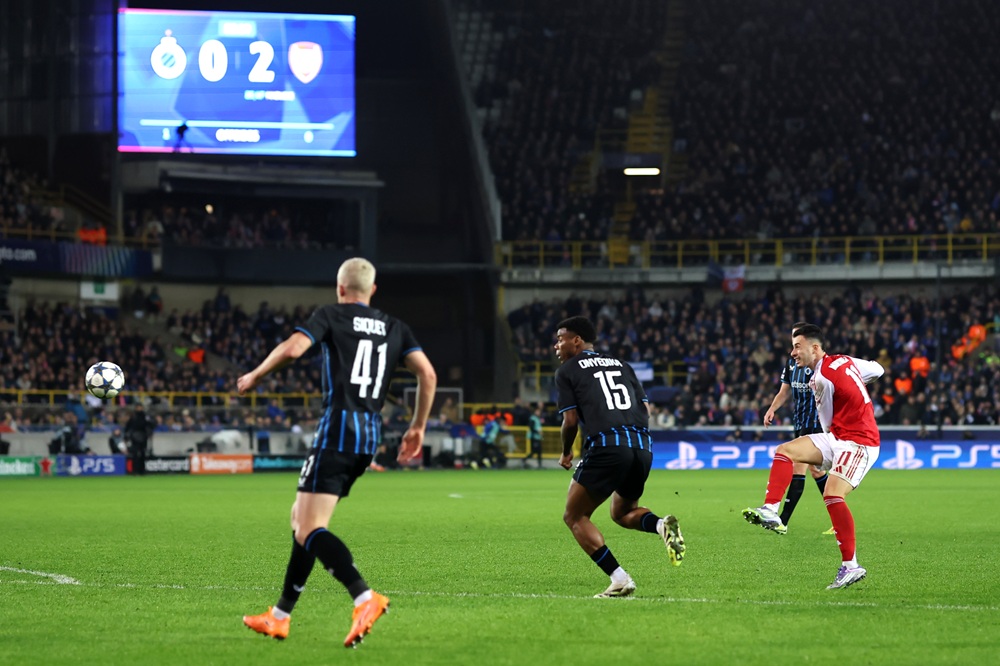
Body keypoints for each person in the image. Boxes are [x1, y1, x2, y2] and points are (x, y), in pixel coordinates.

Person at [239, 257, 437, 648]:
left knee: (309, 527)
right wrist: (418, 426)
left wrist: (256, 374)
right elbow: (428, 374)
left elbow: (295, 349)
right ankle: (279, 616)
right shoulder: (395, 326)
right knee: (302, 521)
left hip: (336, 432)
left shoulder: (331, 315)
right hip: (367, 435)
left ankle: (365, 597)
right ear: (373, 291)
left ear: (340, 287)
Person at [743, 324, 884, 590]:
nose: (793, 352)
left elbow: (827, 423)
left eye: (797, 346)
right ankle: (771, 510)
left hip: (858, 442)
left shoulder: (820, 380)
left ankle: (851, 566)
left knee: (833, 494)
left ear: (815, 348)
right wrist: (855, 386)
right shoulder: (843, 360)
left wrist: (848, 398)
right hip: (841, 438)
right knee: (785, 451)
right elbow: (878, 370)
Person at [553, 316, 685, 598]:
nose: (556, 346)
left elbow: (571, 420)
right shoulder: (623, 365)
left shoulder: (567, 370)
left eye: (560, 339)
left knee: (574, 516)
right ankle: (662, 525)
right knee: (622, 512)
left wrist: (566, 452)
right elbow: (645, 410)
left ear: (576, 340)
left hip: (607, 445)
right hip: (641, 445)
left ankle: (620, 578)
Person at [762, 322, 832, 535]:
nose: (794, 347)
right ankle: (837, 519)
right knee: (816, 471)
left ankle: (782, 520)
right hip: (800, 422)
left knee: (798, 466)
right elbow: (784, 391)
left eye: (797, 341)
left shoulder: (819, 364)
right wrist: (772, 408)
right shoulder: (791, 364)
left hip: (817, 424)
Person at [125, 404, 154, 475]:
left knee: (143, 454)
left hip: (143, 436)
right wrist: (126, 436)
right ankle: (135, 470)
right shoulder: (133, 417)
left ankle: (142, 470)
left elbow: (151, 425)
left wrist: (149, 433)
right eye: (138, 407)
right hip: (134, 437)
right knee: (135, 454)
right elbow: (128, 427)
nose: (139, 409)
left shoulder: (145, 417)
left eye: (140, 407)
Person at [522, 404, 544, 468]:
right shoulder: (533, 418)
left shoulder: (537, 419)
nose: (539, 413)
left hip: (538, 437)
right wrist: (538, 433)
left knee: (538, 451)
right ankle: (524, 460)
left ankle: (539, 465)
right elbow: (531, 428)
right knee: (534, 451)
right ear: (535, 411)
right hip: (534, 437)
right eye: (538, 411)